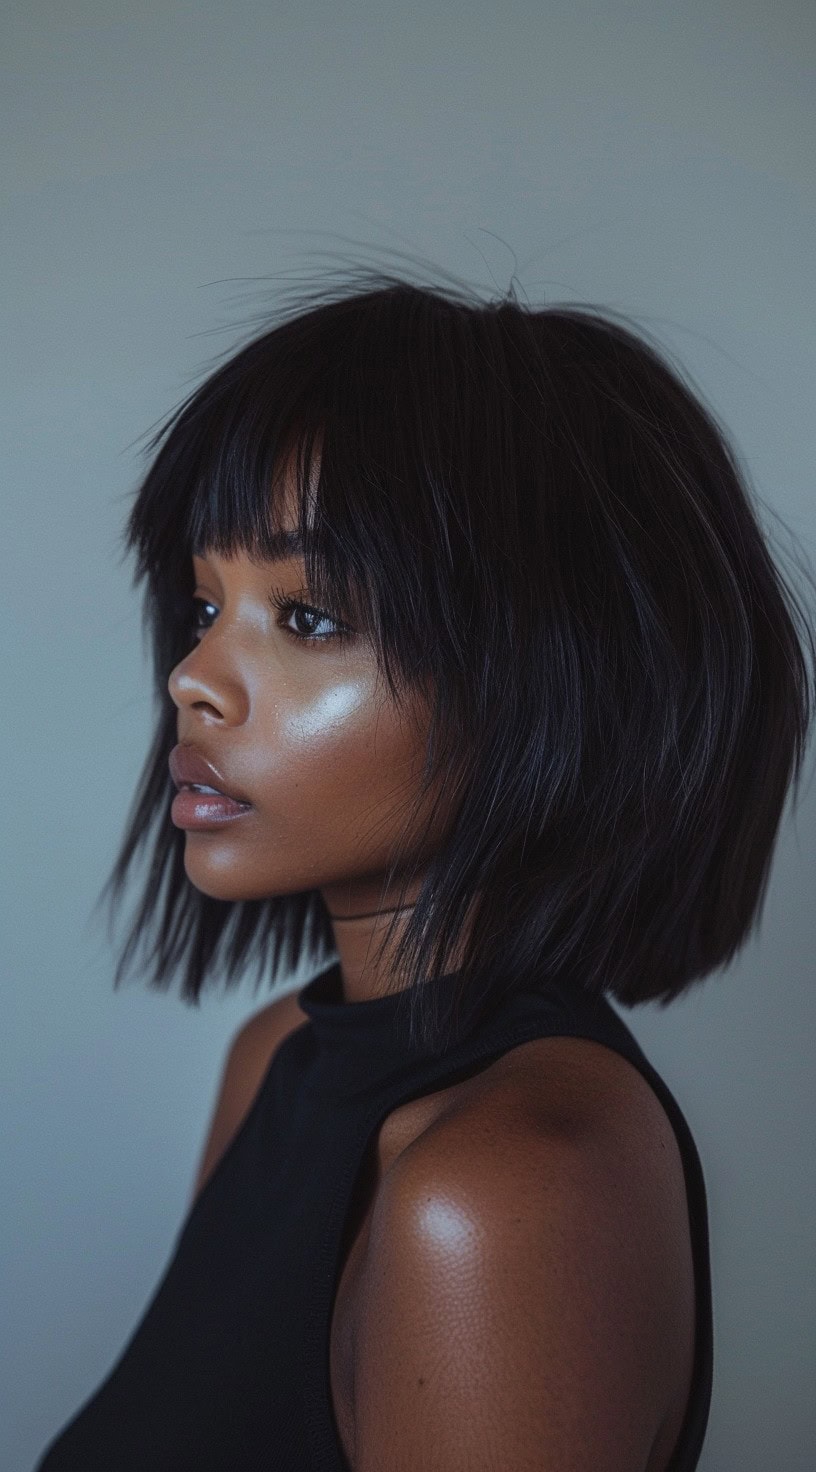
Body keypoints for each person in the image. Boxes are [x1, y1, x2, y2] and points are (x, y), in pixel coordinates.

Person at [35, 268, 816, 1471]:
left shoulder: (506, 1193)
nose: (192, 676)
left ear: (544, 679)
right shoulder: (280, 1057)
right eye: (203, 602)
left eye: (307, 617)